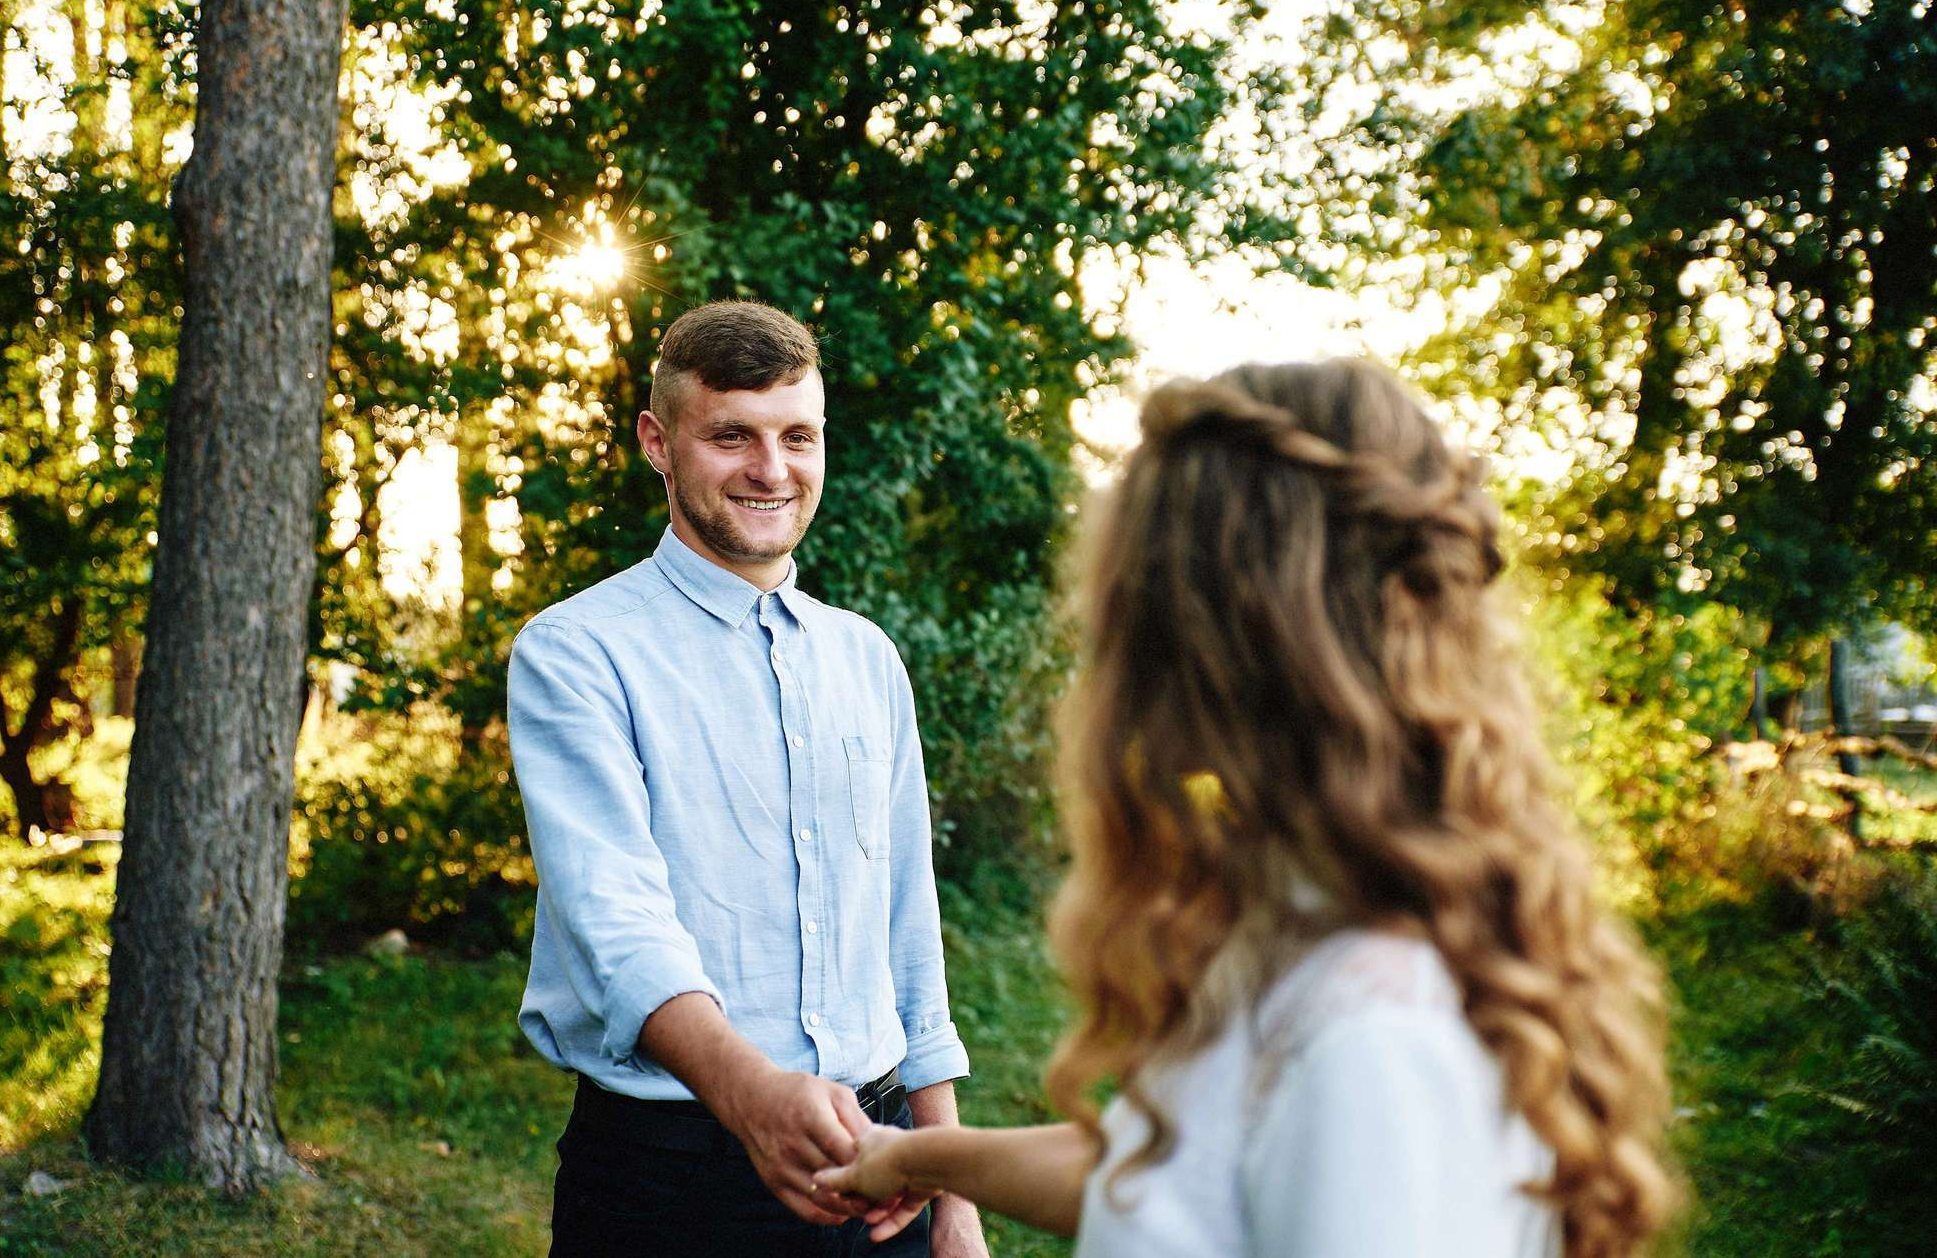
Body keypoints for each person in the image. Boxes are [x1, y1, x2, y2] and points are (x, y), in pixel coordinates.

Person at [818, 359, 1680, 1257]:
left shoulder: (1369, 1038)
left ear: (1225, 633)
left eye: (1132, 598)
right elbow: (1181, 1174)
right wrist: (918, 1157)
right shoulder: (1310, 913)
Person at [507, 300, 989, 1257]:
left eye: (797, 435)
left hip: (882, 1173)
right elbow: (619, 926)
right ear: (659, 441)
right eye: (732, 435)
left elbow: (906, 928)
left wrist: (953, 1186)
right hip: (671, 1183)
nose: (772, 469)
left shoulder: (867, 658)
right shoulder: (577, 653)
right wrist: (754, 1099)